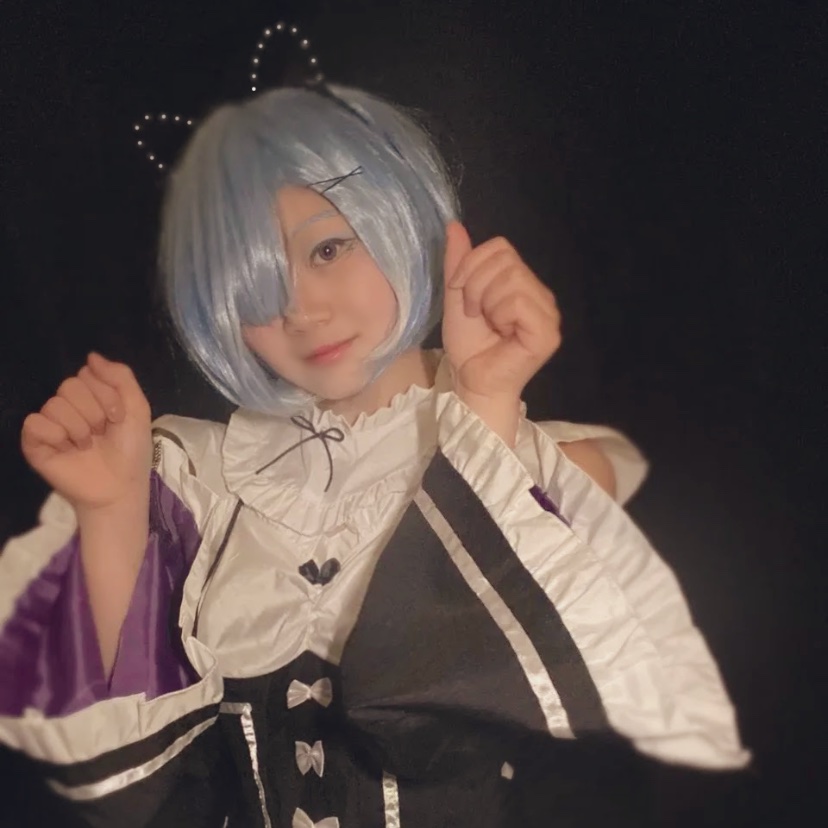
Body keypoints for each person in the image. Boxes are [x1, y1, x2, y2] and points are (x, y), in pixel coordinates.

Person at [0, 84, 749, 827]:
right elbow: (137, 785)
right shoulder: (203, 488)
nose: (302, 311)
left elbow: (447, 711)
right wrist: (111, 509)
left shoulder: (554, 472)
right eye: (256, 288)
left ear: (403, 215)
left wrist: (484, 403)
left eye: (329, 248)